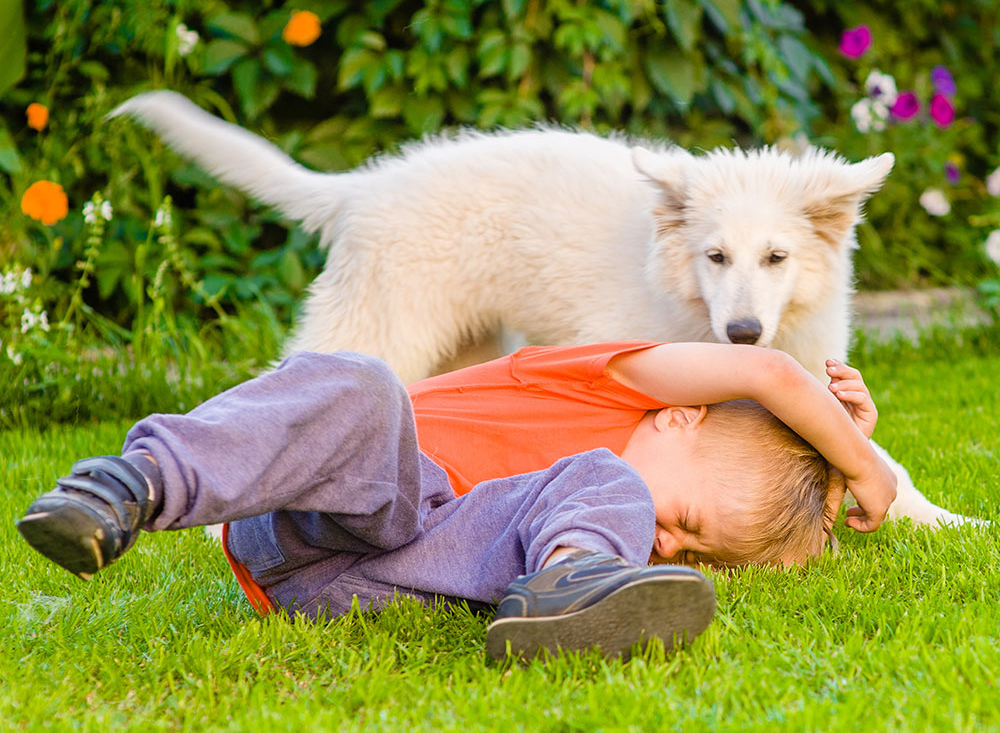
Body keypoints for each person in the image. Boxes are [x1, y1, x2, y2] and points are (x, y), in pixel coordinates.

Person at [16, 341, 894, 660]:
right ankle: (134, 483)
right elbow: (767, 372)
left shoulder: (582, 503)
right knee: (363, 384)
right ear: (675, 417)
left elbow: (767, 506)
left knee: (600, 493)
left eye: (693, 558)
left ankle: (570, 592)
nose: (664, 545)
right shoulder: (599, 387)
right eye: (688, 525)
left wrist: (815, 472)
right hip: (339, 507)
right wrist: (861, 462)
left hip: (390, 582)